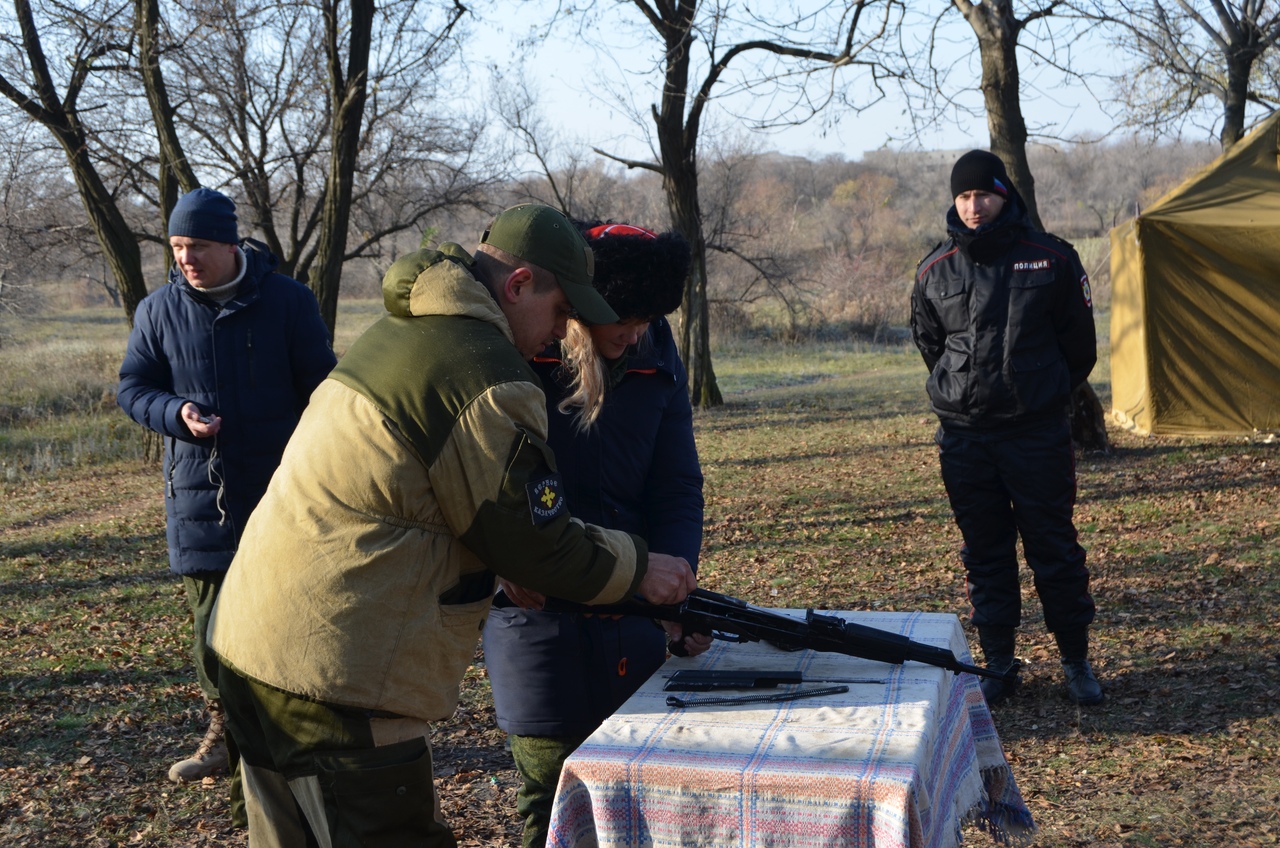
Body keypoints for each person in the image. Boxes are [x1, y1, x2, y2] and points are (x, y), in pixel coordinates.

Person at [207, 204, 699, 847]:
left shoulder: (408, 329)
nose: (559, 334)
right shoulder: (485, 373)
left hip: (257, 642)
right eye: (559, 314)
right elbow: (534, 542)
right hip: (334, 672)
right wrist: (642, 565)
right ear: (519, 285)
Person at [483, 221, 711, 848]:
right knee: (553, 801)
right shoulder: (521, 348)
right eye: (629, 318)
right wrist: (501, 563)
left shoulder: (657, 347)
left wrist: (675, 582)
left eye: (650, 320)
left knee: (640, 801)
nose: (638, 333)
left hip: (633, 606)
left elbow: (676, 485)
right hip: (535, 618)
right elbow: (474, 486)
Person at [117, 187, 336, 784]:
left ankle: (296, 737)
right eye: (178, 247)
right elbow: (132, 387)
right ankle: (223, 735)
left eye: (199, 246)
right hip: (198, 498)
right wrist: (176, 412)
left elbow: (325, 389)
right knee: (212, 628)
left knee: (287, 623)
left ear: (232, 243)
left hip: (282, 494)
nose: (187, 258)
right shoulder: (157, 311)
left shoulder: (288, 302)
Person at [910, 150, 1102, 707]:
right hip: (967, 439)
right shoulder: (933, 269)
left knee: (1055, 549)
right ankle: (998, 663)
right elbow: (931, 347)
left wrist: (1038, 392)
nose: (974, 206)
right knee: (985, 552)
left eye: (983, 194)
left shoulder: (1052, 259)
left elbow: (1079, 349)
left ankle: (1076, 661)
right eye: (964, 196)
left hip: (1036, 436)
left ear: (1004, 195)